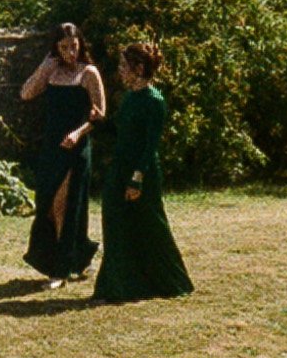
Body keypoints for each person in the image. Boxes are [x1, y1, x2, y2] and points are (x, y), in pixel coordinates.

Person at [92, 40, 194, 302]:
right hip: (120, 167)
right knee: (115, 223)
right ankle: (117, 286)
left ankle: (171, 281)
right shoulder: (129, 98)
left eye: (124, 66)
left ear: (138, 68)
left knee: (150, 227)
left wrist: (137, 179)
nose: (120, 71)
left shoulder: (154, 101)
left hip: (142, 172)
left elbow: (150, 145)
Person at [20, 21, 105, 285]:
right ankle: (80, 256)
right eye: (64, 47)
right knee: (47, 206)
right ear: (56, 48)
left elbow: (100, 114)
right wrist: (44, 67)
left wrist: (78, 133)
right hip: (51, 148)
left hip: (75, 148)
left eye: (74, 47)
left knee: (64, 206)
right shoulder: (53, 72)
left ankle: (61, 268)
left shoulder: (88, 73)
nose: (70, 52)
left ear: (81, 45)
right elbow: (26, 94)